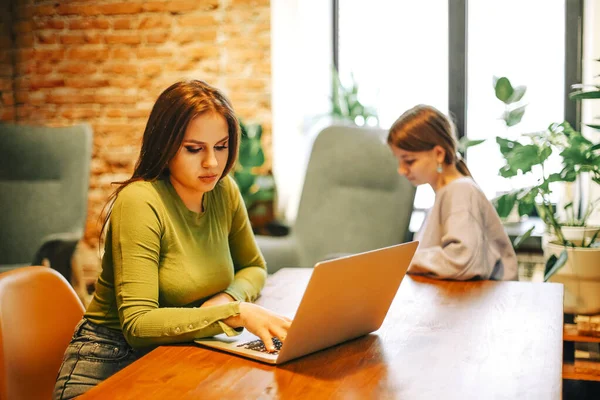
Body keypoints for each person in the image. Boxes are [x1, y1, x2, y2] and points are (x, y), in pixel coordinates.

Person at [54, 80, 291, 399]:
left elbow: (253, 266)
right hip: (108, 363)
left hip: (178, 354)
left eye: (221, 147)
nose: (212, 163)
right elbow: (138, 324)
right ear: (164, 149)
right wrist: (235, 313)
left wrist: (228, 298)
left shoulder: (224, 191)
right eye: (194, 149)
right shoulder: (139, 202)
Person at [387, 104, 517, 281]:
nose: (401, 170)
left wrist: (403, 261)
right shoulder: (446, 192)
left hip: (483, 303)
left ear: (439, 154)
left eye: (409, 161)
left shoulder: (461, 190)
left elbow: (462, 260)